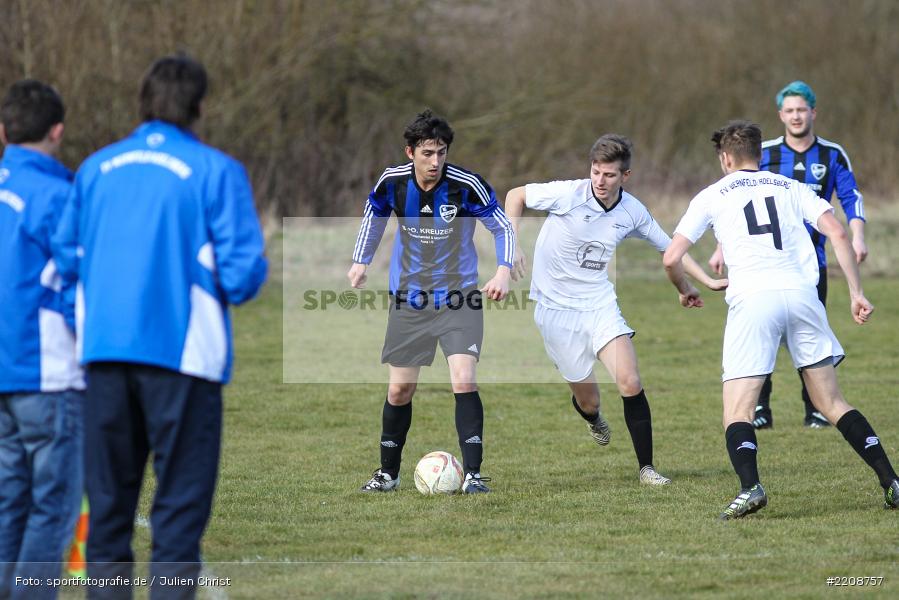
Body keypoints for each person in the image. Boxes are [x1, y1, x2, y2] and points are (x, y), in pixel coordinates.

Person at [53, 55, 268, 598]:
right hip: (183, 363)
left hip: (101, 357)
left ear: (141, 102)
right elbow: (243, 278)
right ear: (199, 106)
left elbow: (63, 254)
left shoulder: (94, 169)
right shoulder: (217, 170)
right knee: (175, 526)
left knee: (105, 523)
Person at [664, 120, 898, 519]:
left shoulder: (712, 194)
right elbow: (838, 234)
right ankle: (891, 481)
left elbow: (671, 257)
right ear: (760, 153)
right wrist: (856, 292)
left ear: (725, 158)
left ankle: (750, 487)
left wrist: (691, 286)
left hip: (754, 298)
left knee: (737, 410)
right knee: (832, 402)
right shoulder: (791, 187)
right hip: (803, 296)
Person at [503, 134, 725, 485]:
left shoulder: (632, 211)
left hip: (599, 304)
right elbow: (515, 196)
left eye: (609, 175)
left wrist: (696, 285)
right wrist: (511, 246)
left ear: (626, 176)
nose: (600, 181)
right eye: (595, 172)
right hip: (555, 310)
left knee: (629, 380)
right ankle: (593, 419)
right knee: (589, 401)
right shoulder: (568, 194)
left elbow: (670, 249)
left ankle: (647, 469)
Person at [349, 109, 514, 494]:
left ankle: (473, 474)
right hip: (409, 301)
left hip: (459, 299)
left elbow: (501, 224)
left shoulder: (466, 185)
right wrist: (361, 261)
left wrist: (504, 268)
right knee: (399, 391)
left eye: (441, 152)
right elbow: (372, 217)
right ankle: (388, 474)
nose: (435, 161)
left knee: (464, 379)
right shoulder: (393, 182)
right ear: (410, 152)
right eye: (427, 153)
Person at [709, 81, 867, 430]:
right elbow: (739, 205)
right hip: (762, 263)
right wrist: (722, 246)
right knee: (760, 338)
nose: (796, 116)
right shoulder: (764, 153)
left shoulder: (832, 155)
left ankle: (816, 408)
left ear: (813, 112)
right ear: (781, 115)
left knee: (809, 338)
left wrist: (858, 235)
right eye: (790, 110)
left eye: (802, 109)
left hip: (812, 264)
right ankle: (760, 408)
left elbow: (850, 196)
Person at [0, 80, 83, 600]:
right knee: (51, 509)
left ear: (5, 131)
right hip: (44, 373)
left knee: (8, 501)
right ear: (57, 131)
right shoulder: (59, 195)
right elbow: (80, 281)